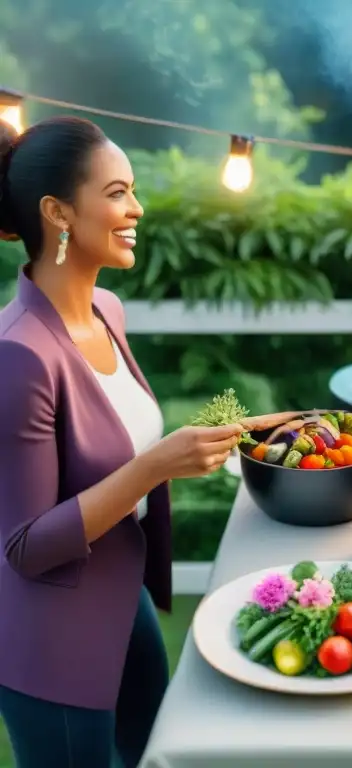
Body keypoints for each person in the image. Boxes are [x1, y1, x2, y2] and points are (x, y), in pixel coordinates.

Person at [0, 116, 246, 767]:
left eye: (132, 189)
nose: (136, 208)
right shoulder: (19, 355)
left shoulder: (108, 310)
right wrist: (155, 466)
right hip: (54, 643)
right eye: (116, 192)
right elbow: (23, 547)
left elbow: (107, 446)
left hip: (123, 598)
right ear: (57, 212)